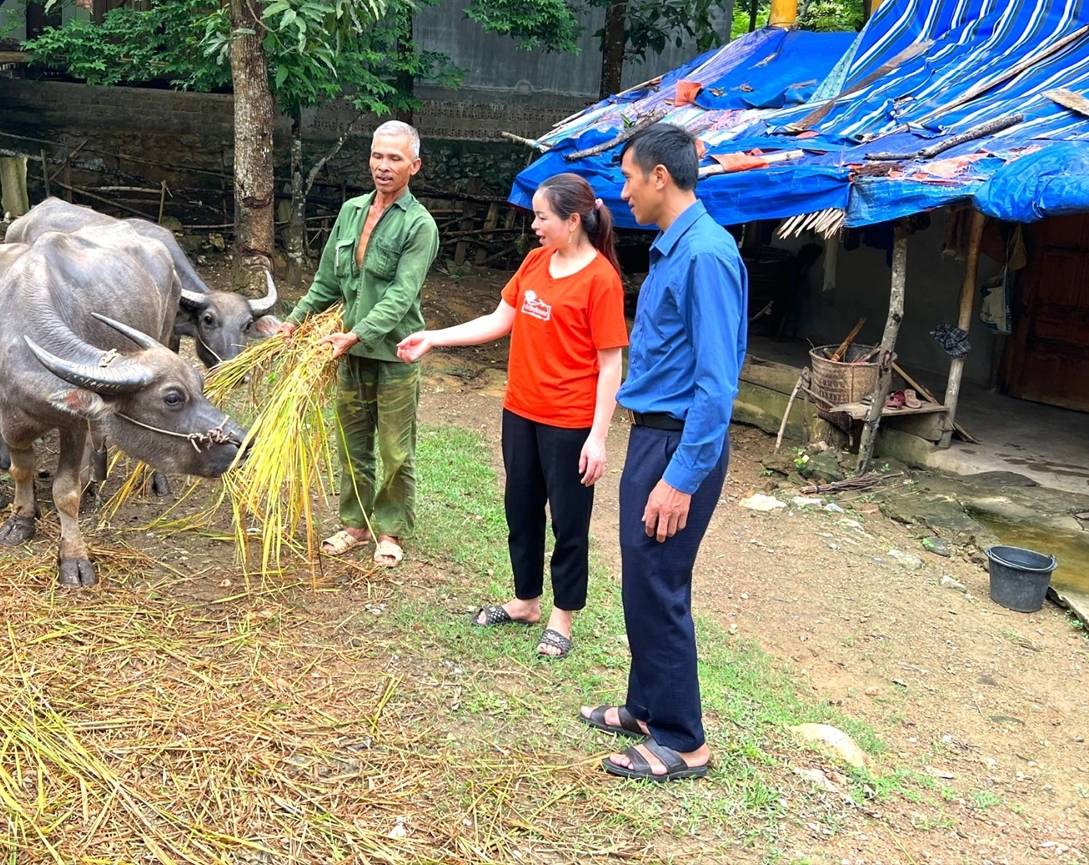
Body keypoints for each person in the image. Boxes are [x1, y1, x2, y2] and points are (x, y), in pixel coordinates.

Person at [397, 173, 626, 658]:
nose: (535, 226)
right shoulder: (536, 262)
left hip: (570, 421)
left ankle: (563, 617)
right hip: (520, 410)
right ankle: (526, 601)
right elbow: (500, 320)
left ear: (573, 220)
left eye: (542, 217)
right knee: (520, 510)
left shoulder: (601, 280)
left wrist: (598, 437)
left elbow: (610, 365)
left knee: (568, 521)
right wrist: (434, 337)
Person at [580, 123, 747, 783]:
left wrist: (680, 478)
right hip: (655, 432)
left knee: (658, 581)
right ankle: (647, 706)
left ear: (658, 176)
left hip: (678, 442)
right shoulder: (674, 249)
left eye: (627, 176)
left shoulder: (705, 253)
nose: (622, 190)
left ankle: (684, 740)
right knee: (642, 574)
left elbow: (717, 382)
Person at [278, 121, 439, 569]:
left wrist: (356, 333)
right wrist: (294, 321)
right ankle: (354, 525)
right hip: (348, 353)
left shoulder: (420, 226)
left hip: (393, 354)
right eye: (377, 156)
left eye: (395, 159)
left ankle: (389, 530)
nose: (383, 167)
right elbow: (328, 281)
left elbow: (401, 296)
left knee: (394, 449)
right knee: (351, 444)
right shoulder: (351, 211)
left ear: (414, 166)